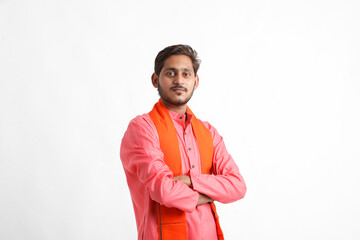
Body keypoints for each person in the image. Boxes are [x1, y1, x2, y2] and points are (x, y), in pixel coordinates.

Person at [120, 44, 246, 240]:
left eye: (186, 74)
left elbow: (237, 186)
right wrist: (211, 194)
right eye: (171, 73)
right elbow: (163, 190)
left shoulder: (208, 132)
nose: (179, 80)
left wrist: (190, 180)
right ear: (155, 80)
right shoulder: (143, 128)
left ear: (196, 82)